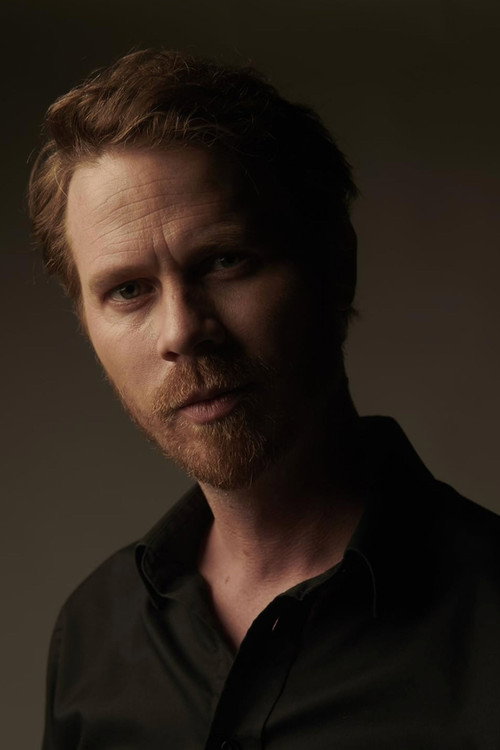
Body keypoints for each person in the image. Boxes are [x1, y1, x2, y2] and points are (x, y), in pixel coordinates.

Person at [29, 49, 499, 750]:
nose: (182, 331)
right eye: (127, 290)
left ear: (335, 263)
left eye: (225, 261)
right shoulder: (92, 634)